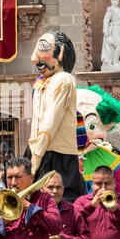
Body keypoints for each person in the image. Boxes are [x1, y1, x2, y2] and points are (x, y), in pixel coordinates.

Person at [26, 29, 86, 203]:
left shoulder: (64, 79)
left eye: (43, 49)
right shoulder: (40, 83)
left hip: (57, 156)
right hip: (38, 150)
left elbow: (49, 124)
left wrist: (34, 163)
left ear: (61, 53)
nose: (34, 58)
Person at [0, 157, 62, 239]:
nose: (13, 182)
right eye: (9, 177)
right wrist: (3, 220)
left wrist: (29, 206)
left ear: (31, 178)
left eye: (18, 177)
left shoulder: (44, 199)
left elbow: (56, 227)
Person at [43, 172, 90, 239]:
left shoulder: (74, 211)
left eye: (58, 187)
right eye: (50, 187)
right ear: (42, 189)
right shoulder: (34, 211)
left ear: (63, 190)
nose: (55, 191)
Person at [101, 0, 120, 70]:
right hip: (114, 29)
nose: (115, 1)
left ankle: (116, 60)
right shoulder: (110, 9)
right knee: (118, 45)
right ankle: (114, 61)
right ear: (111, 1)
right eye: (114, 0)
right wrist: (106, 32)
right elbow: (106, 20)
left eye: (117, 0)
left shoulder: (119, 9)